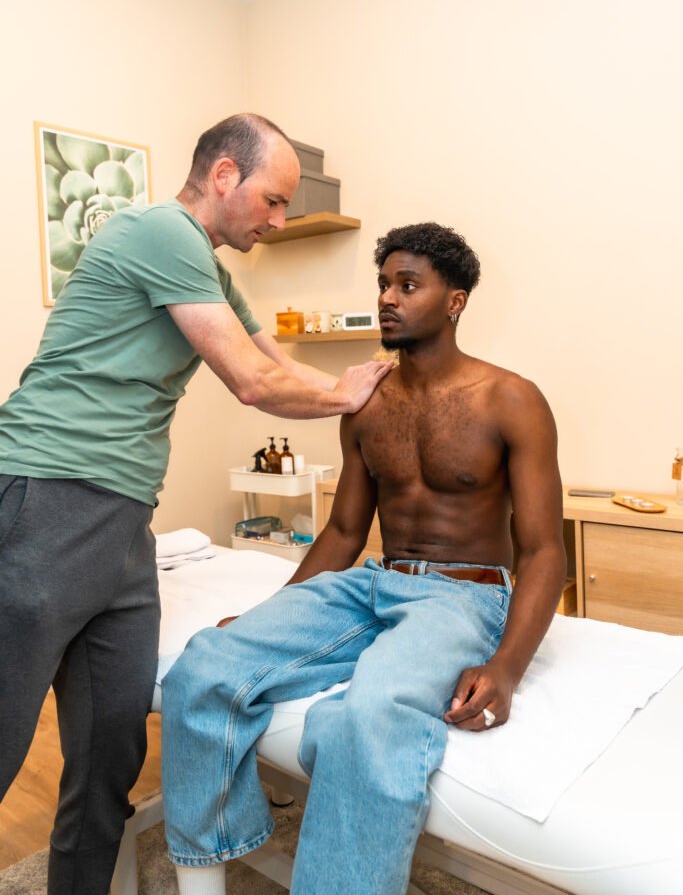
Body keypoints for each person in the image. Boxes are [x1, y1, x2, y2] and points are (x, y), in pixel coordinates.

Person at [0, 113, 390, 895]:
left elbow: (274, 364)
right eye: (273, 200)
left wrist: (371, 393)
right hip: (47, 499)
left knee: (110, 753)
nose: (277, 220)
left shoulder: (211, 273)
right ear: (222, 176)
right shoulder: (158, 230)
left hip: (120, 526)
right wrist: (345, 399)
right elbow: (250, 382)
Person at [160, 222, 567, 895]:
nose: (388, 298)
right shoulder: (365, 403)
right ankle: (206, 870)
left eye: (408, 285)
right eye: (383, 284)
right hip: (373, 581)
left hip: (463, 594)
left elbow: (544, 549)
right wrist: (269, 614)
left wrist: (506, 668)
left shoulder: (510, 399)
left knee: (365, 714)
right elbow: (343, 532)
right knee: (205, 662)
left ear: (454, 301)